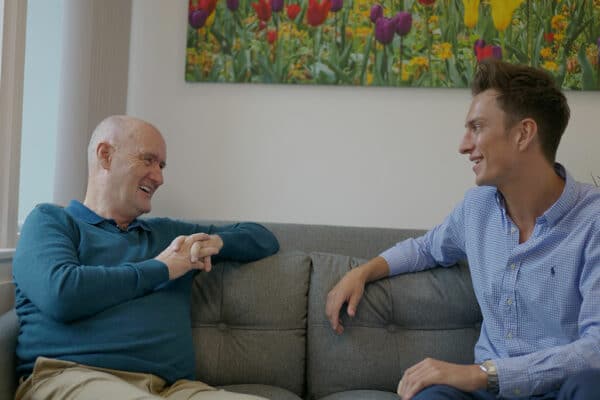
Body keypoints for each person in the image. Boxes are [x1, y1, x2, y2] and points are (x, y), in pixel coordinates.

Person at [326, 60, 600, 400]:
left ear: (523, 133)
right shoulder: (477, 208)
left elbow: (595, 350)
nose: (463, 145)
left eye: (477, 127)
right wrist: (363, 272)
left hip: (559, 390)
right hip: (489, 393)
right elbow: (425, 249)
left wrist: (484, 374)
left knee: (593, 386)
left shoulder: (593, 221)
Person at [13, 115, 279, 400]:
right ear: (105, 156)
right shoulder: (51, 221)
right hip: (72, 377)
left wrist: (214, 242)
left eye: (161, 166)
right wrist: (162, 268)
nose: (159, 177)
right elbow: (62, 294)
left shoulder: (168, 235)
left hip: (174, 390)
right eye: (148, 160)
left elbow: (262, 238)